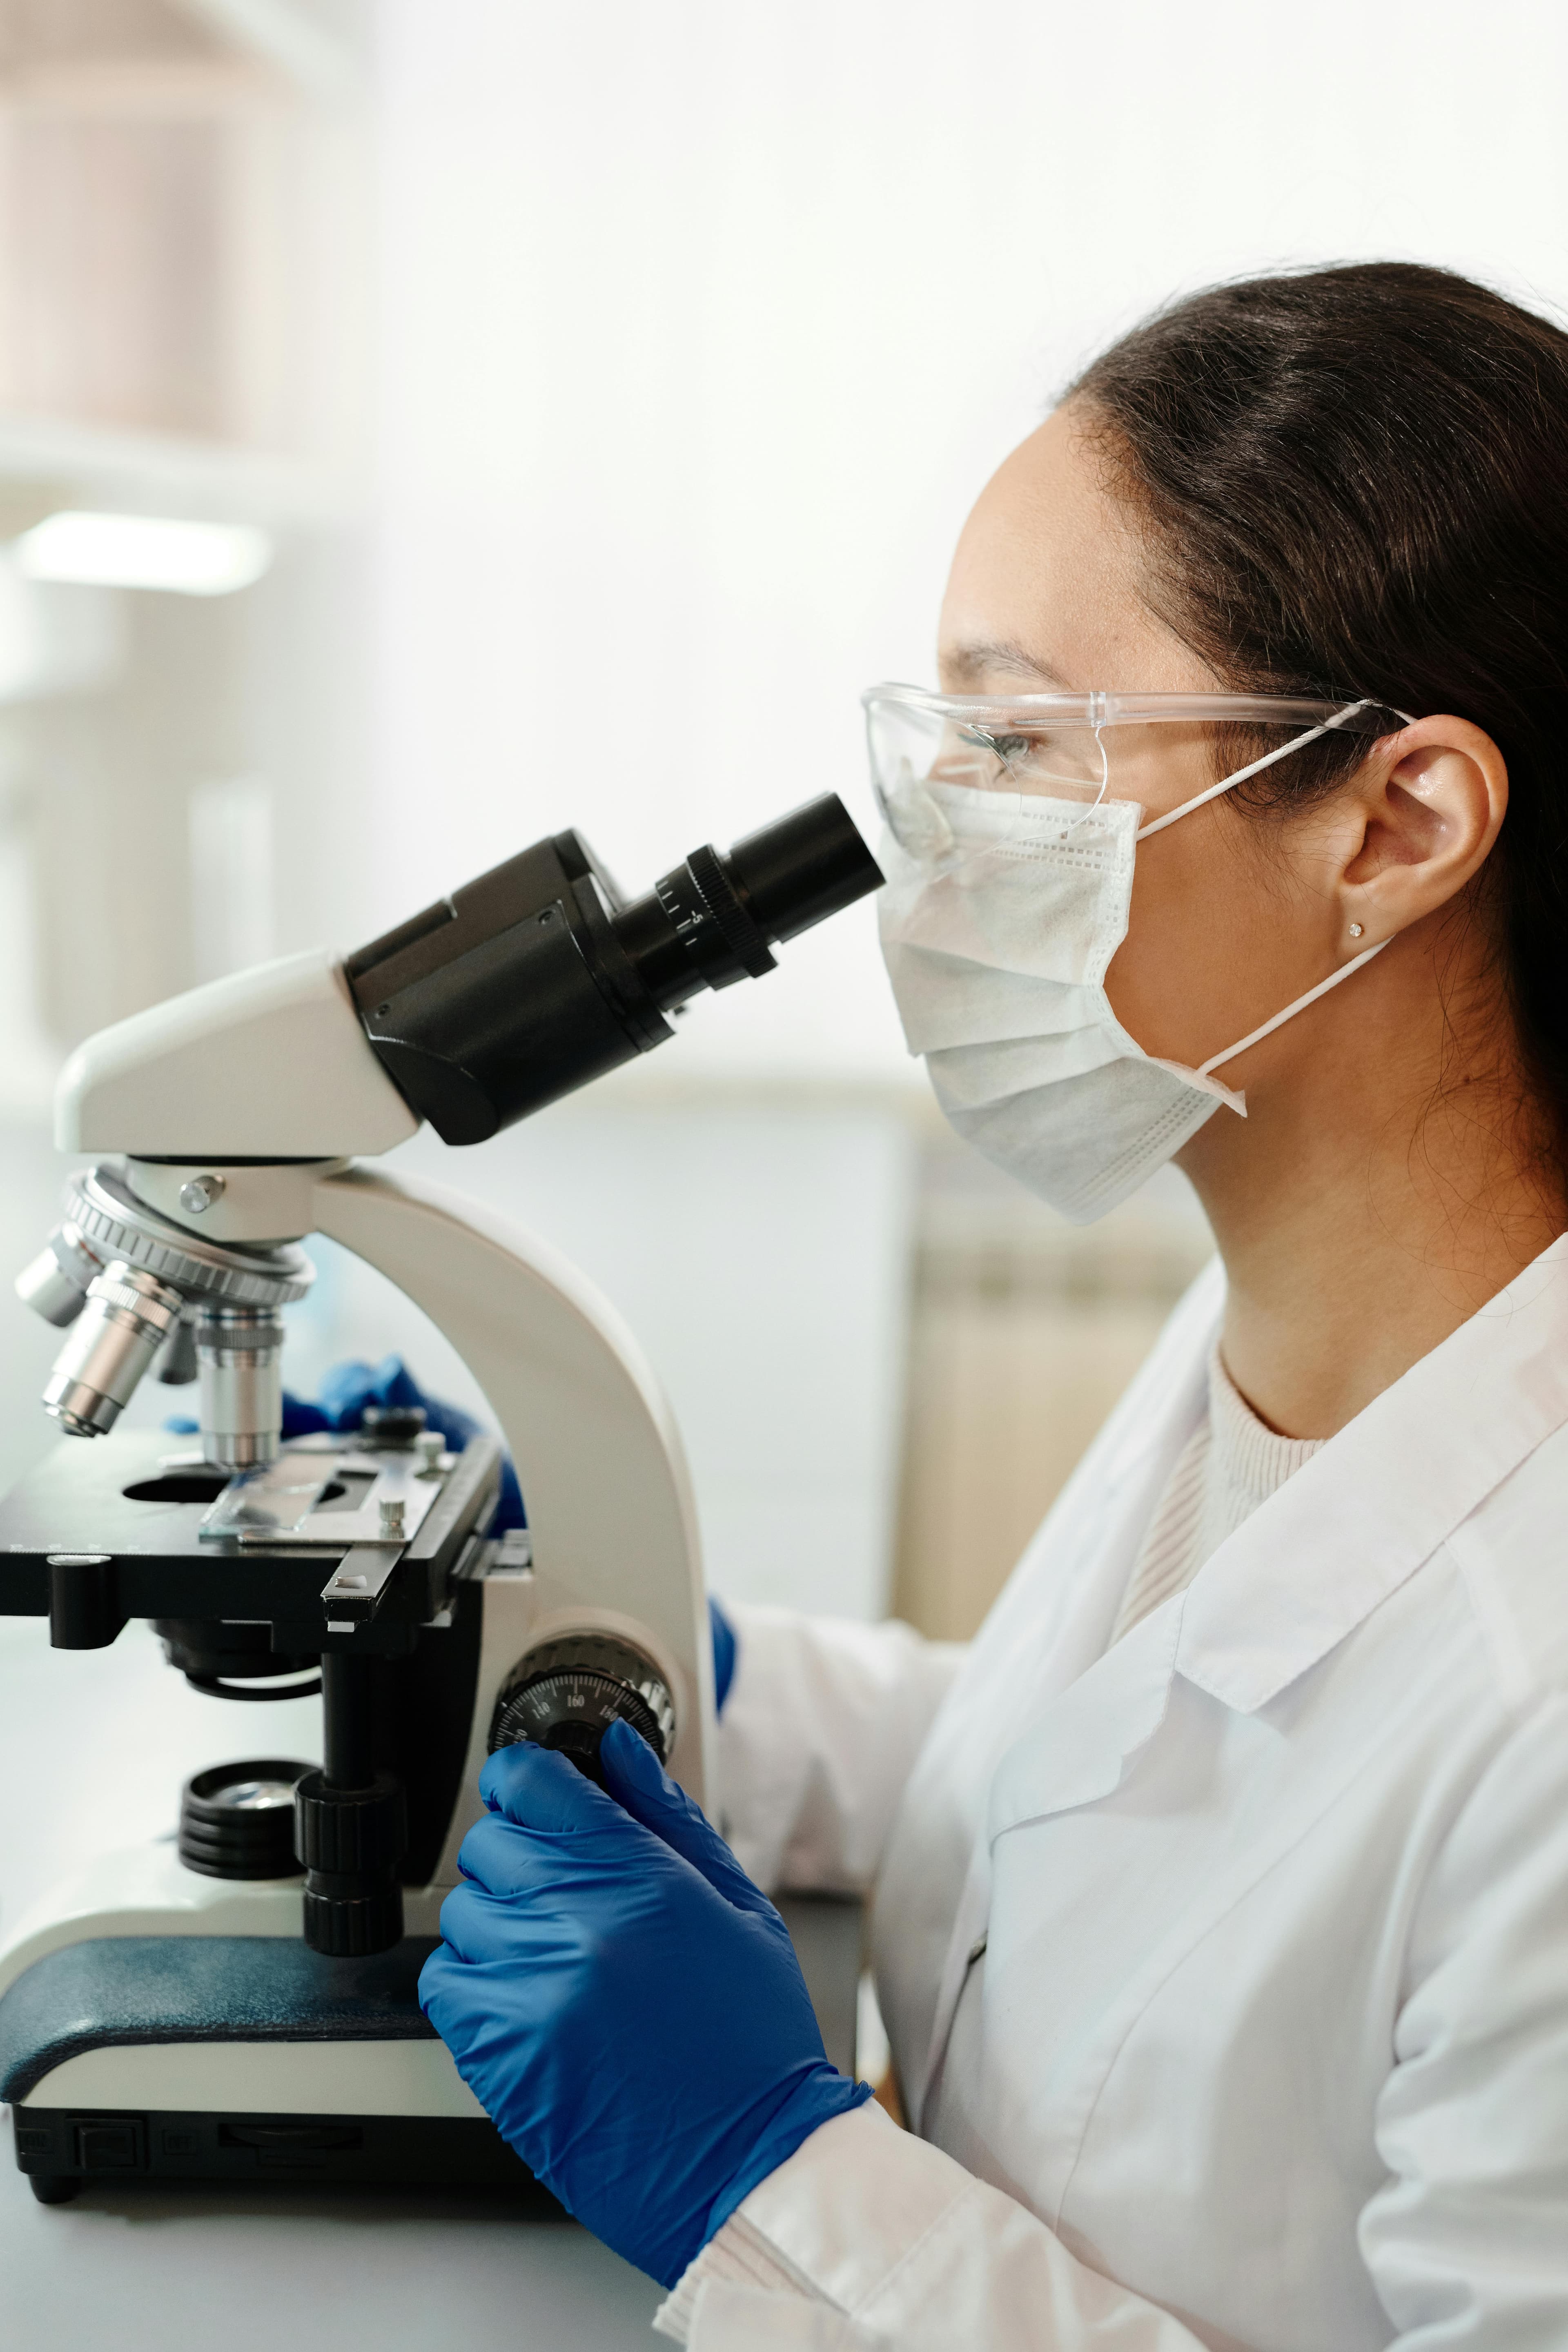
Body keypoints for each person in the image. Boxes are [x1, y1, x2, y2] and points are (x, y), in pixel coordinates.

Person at [418, 263, 1568, 2348]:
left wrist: (770, 2185)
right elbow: (1105, 1791)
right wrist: (660, 1662)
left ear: (1395, 824)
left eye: (1022, 740)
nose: (927, 845)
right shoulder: (1299, 1334)